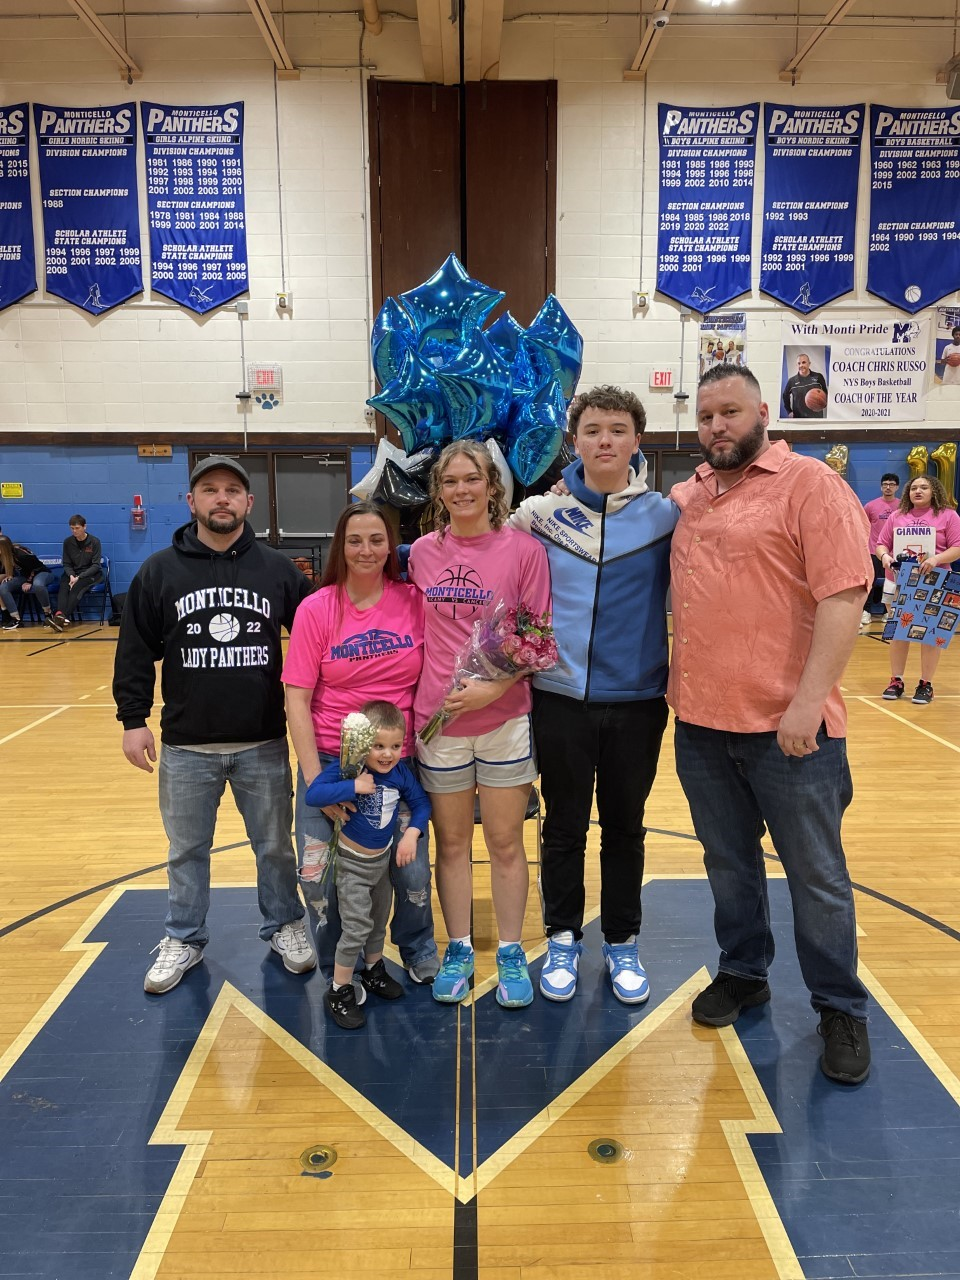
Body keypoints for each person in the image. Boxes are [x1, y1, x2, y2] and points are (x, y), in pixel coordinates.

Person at [670, 364, 873, 1085]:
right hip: (699, 725)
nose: (717, 426)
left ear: (763, 411)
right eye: (705, 417)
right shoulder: (690, 495)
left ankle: (840, 1006)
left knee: (817, 878)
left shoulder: (812, 486)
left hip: (792, 733)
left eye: (729, 412)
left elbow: (845, 596)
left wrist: (808, 702)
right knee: (728, 865)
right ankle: (744, 971)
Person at [113, 456, 316, 994]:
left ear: (250, 503)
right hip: (186, 745)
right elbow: (134, 651)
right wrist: (134, 720)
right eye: (209, 490)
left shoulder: (277, 571)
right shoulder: (159, 571)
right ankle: (184, 936)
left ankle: (285, 925)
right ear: (192, 502)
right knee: (186, 851)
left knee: (274, 846)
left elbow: (319, 641)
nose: (221, 499)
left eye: (232, 491)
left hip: (264, 740)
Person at [510, 386, 677, 1004]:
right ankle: (561, 937)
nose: (604, 441)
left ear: (637, 440)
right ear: (573, 441)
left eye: (617, 429)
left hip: (638, 701)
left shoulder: (667, 514)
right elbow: (483, 555)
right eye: (591, 430)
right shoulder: (537, 516)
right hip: (558, 698)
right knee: (563, 828)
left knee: (626, 827)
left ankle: (623, 941)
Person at [409, 440, 550, 1009]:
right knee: (450, 842)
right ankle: (460, 948)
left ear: (492, 486)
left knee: (505, 842)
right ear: (439, 492)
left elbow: (539, 637)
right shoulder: (420, 552)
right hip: (438, 723)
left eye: (472, 480)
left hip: (504, 719)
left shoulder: (524, 551)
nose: (462, 491)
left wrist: (495, 686)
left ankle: (512, 950)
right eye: (450, 483)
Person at [282, 500, 439, 983]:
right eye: (355, 540)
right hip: (332, 764)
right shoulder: (317, 607)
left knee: (410, 872)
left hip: (396, 765)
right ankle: (338, 967)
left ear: (391, 546)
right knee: (319, 877)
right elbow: (297, 700)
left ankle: (416, 948)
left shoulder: (414, 601)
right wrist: (318, 785)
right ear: (340, 547)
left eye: (376, 539)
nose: (366, 549)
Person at [306, 700, 432, 1029]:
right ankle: (339, 990)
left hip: (381, 866)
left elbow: (420, 802)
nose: (387, 754)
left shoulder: (401, 773)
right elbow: (313, 794)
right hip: (353, 869)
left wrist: (411, 836)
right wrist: (352, 787)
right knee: (356, 929)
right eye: (378, 746)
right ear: (363, 744)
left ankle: (374, 971)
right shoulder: (351, 769)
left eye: (394, 746)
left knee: (377, 925)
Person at [877, 474, 960, 705]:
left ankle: (926, 684)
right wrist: (884, 556)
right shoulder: (896, 516)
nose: (918, 491)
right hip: (899, 580)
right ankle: (896, 680)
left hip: (936, 581)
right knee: (898, 632)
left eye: (924, 487)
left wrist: (936, 559)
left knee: (930, 635)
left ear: (934, 491)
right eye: (914, 487)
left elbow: (958, 547)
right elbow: (881, 543)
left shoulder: (948, 516)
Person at [861, 473, 900, 624]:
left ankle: (887, 612)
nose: (888, 487)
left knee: (892, 583)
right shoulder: (870, 506)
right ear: (881, 486)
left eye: (891, 484)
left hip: (895, 554)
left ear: (897, 487)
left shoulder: (903, 506)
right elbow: (863, 526)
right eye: (885, 484)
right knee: (870, 582)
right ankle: (866, 611)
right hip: (874, 551)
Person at [0, 536, 62, 631]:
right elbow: (10, 567)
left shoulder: (21, 554)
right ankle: (16, 619)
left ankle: (48, 613)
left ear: (4, 548)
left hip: (42, 572)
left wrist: (29, 581)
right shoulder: (5, 556)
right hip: (25, 576)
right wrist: (10, 575)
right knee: (4, 587)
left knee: (38, 584)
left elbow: (36, 567)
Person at [54, 514, 103, 626]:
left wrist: (79, 577)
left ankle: (62, 617)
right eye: (72, 528)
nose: (74, 531)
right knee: (64, 585)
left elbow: (96, 565)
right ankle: (60, 614)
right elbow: (66, 563)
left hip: (90, 574)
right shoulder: (68, 542)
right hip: (73, 573)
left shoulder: (94, 542)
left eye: (77, 528)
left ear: (84, 527)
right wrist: (71, 575)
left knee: (77, 587)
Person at [781, 353, 828, 419]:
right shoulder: (792, 381)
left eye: (804, 362)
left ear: (809, 363)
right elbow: (785, 396)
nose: (801, 365)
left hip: (816, 419)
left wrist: (822, 405)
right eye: (799, 363)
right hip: (798, 419)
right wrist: (789, 411)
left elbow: (825, 395)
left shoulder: (818, 377)